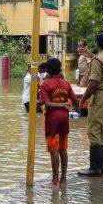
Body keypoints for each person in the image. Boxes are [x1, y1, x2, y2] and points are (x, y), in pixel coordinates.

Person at [77, 33, 103, 177]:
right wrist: (92, 56)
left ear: (97, 43)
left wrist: (83, 99)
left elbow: (93, 83)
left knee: (95, 131)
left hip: (101, 96)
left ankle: (95, 168)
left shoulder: (97, 60)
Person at [39, 57, 79, 189]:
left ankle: (54, 181)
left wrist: (61, 104)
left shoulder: (45, 84)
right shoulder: (66, 83)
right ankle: (63, 180)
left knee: (54, 150)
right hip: (64, 119)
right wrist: (72, 108)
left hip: (52, 119)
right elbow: (75, 101)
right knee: (63, 148)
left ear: (47, 71)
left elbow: (46, 103)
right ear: (60, 69)